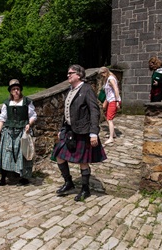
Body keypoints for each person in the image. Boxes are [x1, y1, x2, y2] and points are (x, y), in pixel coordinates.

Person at [51, 64, 107, 201]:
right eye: (68, 73)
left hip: (83, 131)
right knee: (59, 156)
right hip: (69, 130)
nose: (68, 75)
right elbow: (66, 112)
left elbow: (95, 111)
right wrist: (62, 129)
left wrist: (94, 133)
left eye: (71, 73)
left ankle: (85, 189)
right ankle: (68, 182)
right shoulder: (70, 90)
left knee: (83, 161)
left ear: (79, 75)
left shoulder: (87, 89)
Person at [0, 79, 37, 187]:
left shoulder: (27, 102)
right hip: (8, 131)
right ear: (11, 91)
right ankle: (3, 179)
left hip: (23, 131)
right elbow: (2, 119)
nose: (16, 91)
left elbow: (33, 116)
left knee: (22, 154)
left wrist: (29, 124)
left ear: (20, 90)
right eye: (13, 89)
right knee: (5, 154)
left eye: (17, 89)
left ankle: (24, 178)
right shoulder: (7, 103)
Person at [98, 67, 121, 145]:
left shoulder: (111, 79)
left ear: (105, 72)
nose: (102, 76)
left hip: (113, 100)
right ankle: (113, 134)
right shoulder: (108, 79)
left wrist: (117, 101)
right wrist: (105, 102)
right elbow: (108, 92)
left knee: (109, 119)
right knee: (107, 118)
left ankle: (111, 138)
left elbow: (116, 89)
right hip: (109, 100)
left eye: (102, 74)